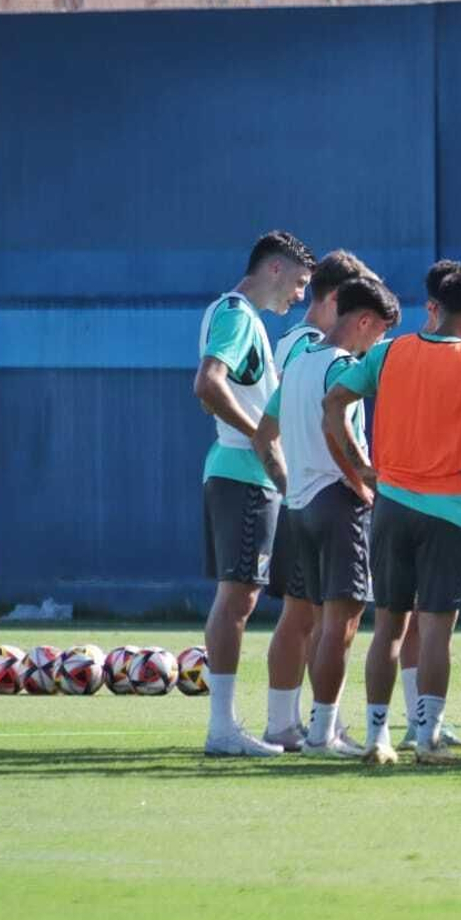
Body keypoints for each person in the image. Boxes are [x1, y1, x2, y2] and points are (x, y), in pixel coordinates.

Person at [323, 263, 461, 766]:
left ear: (437, 309)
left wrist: (359, 466)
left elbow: (335, 400)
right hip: (448, 512)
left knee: (387, 628)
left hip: (391, 505)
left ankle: (377, 737)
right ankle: (428, 737)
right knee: (434, 632)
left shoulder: (388, 352)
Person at [252, 277, 400, 759]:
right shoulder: (342, 367)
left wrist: (287, 482)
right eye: (380, 332)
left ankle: (305, 727)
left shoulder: (298, 364)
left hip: (299, 506)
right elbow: (333, 426)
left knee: (313, 622)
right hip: (337, 504)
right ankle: (322, 734)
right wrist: (364, 479)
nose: (377, 343)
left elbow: (263, 434)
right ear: (364, 321)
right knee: (341, 625)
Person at [192, 230, 315, 758]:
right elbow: (208, 383)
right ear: (274, 269)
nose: (301, 296)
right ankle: (222, 728)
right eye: (299, 282)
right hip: (242, 472)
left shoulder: (241, 317)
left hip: (244, 472)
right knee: (238, 597)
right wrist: (262, 437)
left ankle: (236, 724)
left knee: (240, 596)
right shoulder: (238, 315)